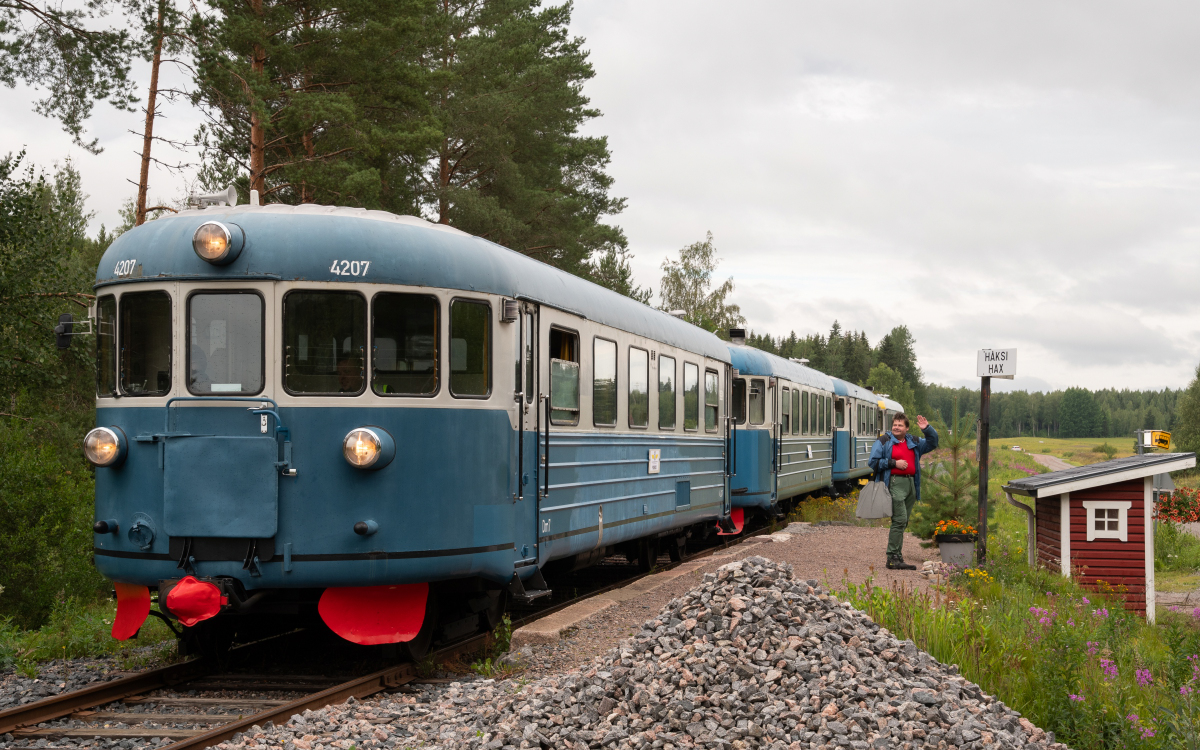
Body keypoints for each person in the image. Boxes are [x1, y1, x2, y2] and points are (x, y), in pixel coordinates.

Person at [868, 412, 938, 570]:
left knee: (903, 521)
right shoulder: (884, 441)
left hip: (911, 484)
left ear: (906, 428)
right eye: (894, 424)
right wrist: (894, 463)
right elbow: (873, 462)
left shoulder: (913, 441)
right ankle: (892, 557)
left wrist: (927, 429)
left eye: (900, 425)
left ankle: (897, 556)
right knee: (900, 519)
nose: (896, 427)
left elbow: (933, 443)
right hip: (894, 483)